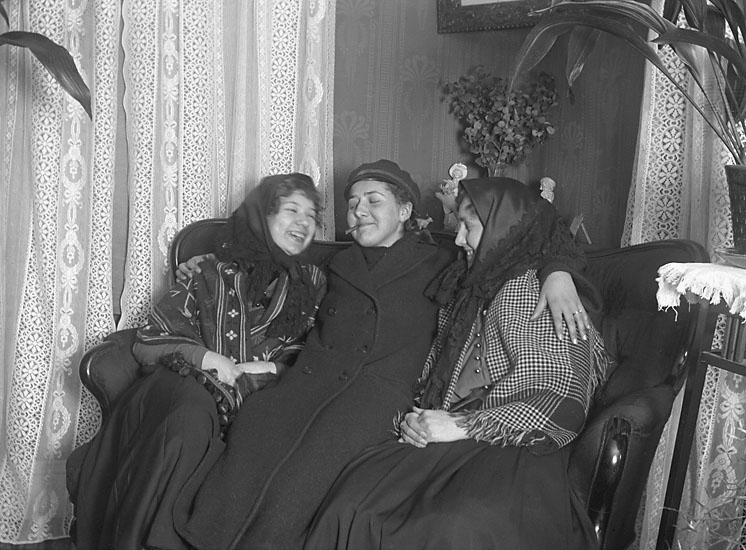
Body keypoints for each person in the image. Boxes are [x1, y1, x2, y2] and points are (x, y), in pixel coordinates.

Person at [172, 161, 592, 550]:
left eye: (374, 201)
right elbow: (273, 271)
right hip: (319, 385)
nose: (360, 211)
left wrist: (557, 272)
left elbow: (532, 230)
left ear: (406, 211)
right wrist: (209, 262)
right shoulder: (335, 267)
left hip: (381, 399)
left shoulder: (447, 265)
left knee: (320, 469)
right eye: (352, 203)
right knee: (260, 423)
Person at [304, 177, 610, 550]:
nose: (459, 239)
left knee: (452, 527)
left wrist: (460, 425)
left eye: (469, 226)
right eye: (458, 225)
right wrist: (417, 419)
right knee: (350, 505)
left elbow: (561, 403)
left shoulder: (538, 292)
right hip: (446, 439)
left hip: (513, 450)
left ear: (502, 227)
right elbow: (432, 372)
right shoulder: (464, 287)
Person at [68, 174, 327, 550]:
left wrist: (272, 369)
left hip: (258, 400)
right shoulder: (210, 271)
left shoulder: (314, 286)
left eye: (311, 215)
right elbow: (148, 342)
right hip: (180, 384)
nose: (303, 222)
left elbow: (320, 359)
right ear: (263, 217)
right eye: (291, 210)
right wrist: (207, 358)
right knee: (189, 416)